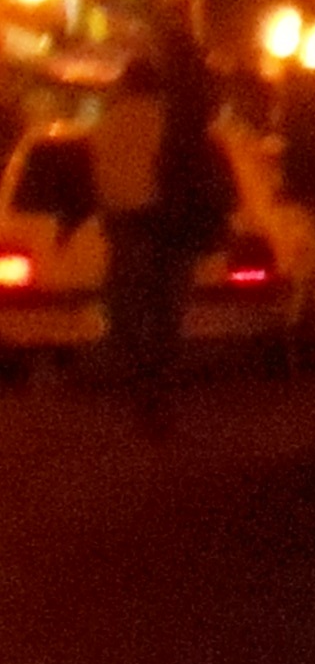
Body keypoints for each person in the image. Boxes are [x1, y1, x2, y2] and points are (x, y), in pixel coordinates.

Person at [91, 52, 184, 432]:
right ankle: (158, 383)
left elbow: (101, 177)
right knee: (165, 311)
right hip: (163, 224)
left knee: (124, 308)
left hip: (124, 226)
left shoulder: (108, 122)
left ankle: (140, 379)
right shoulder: (169, 120)